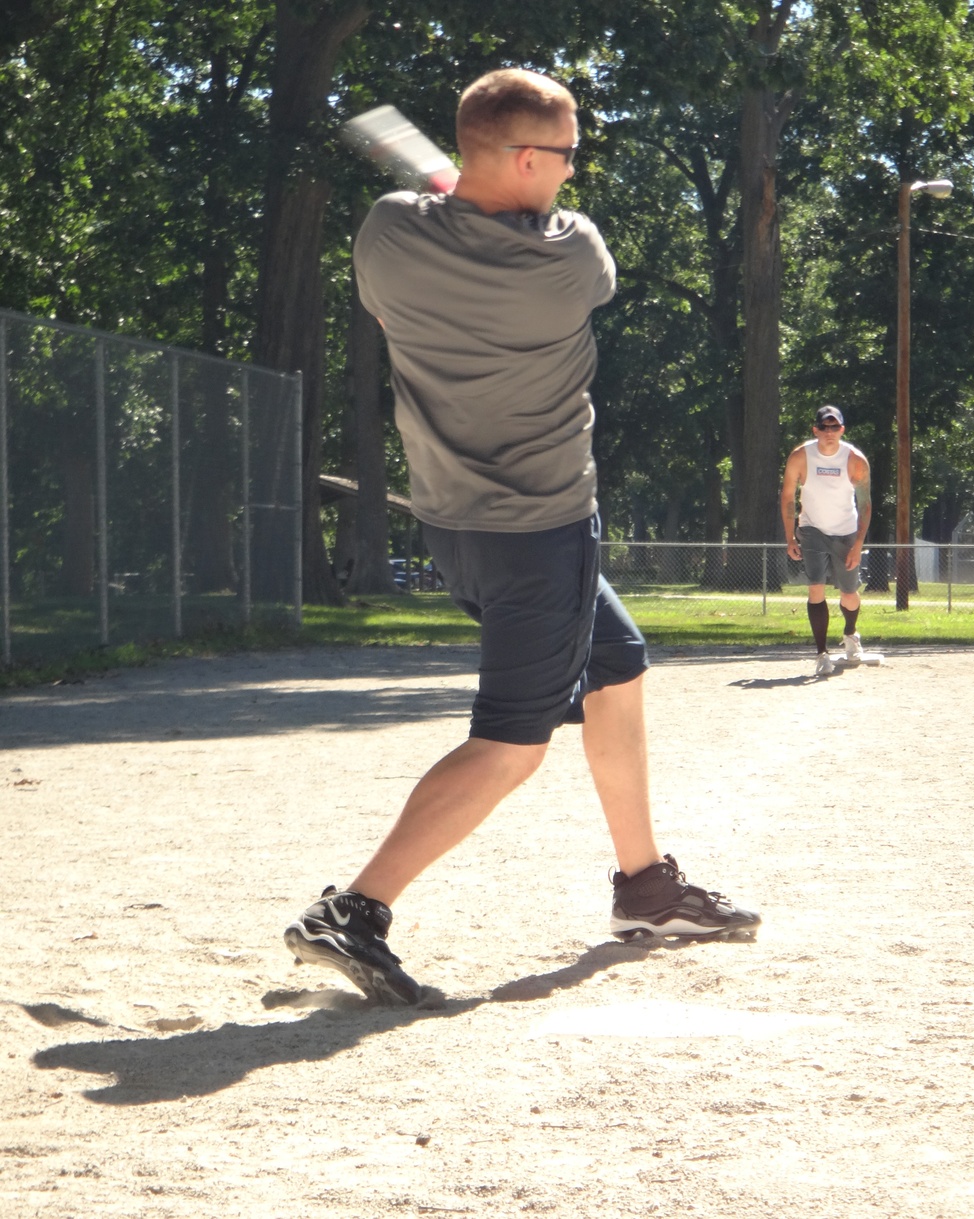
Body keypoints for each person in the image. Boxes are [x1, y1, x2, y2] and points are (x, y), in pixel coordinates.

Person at [284, 68, 760, 1005]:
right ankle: (356, 908)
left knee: (617, 667)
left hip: (453, 520)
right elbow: (540, 236)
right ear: (529, 158)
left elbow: (429, 231)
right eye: (569, 154)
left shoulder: (385, 233)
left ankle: (646, 887)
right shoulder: (571, 257)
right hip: (540, 530)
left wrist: (455, 191)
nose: (575, 177)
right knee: (512, 742)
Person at [780, 405, 873, 677]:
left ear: (842, 429)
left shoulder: (855, 460)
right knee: (815, 589)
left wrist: (857, 545)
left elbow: (865, 504)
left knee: (849, 594)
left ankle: (850, 633)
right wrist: (790, 537)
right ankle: (821, 654)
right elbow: (787, 497)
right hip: (812, 529)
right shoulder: (800, 457)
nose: (830, 433)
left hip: (845, 532)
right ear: (816, 430)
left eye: (835, 427)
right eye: (825, 427)